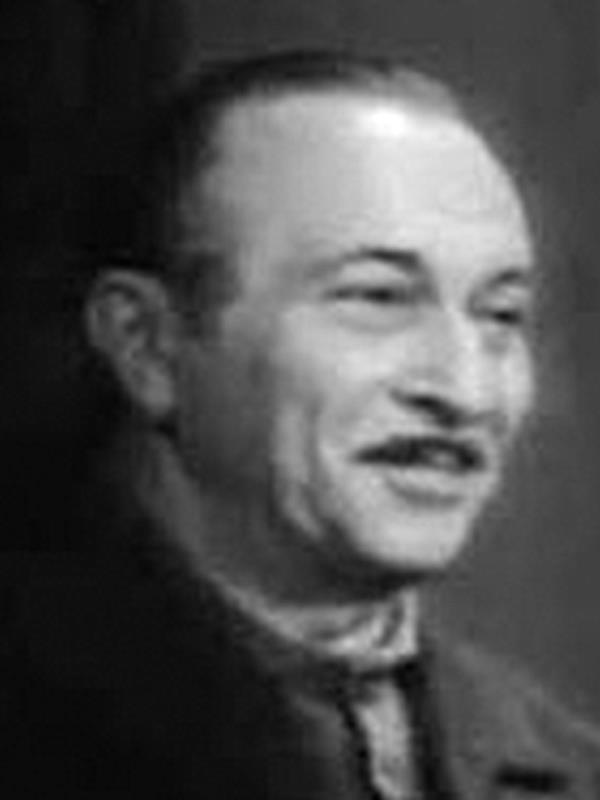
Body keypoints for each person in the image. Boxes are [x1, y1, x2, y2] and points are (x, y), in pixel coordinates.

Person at [3, 50, 599, 798]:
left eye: (500, 316)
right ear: (147, 345)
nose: (465, 390)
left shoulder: (566, 767)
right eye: (377, 298)